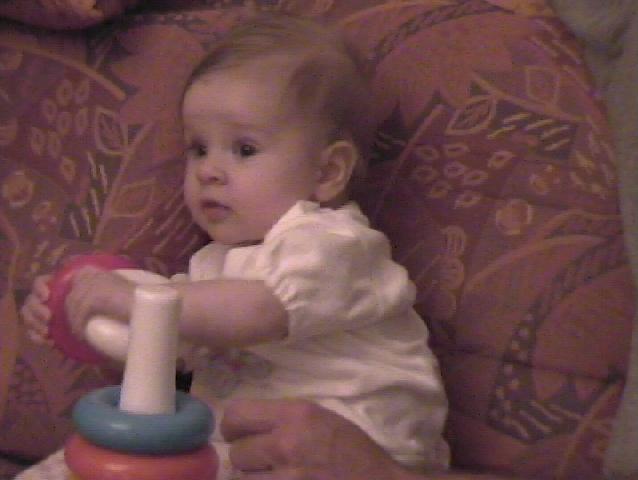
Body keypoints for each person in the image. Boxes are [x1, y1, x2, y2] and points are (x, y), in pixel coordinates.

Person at [22, 13, 451, 479]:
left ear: (327, 172)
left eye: (244, 149)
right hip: (246, 445)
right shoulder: (214, 264)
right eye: (198, 148)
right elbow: (164, 349)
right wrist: (77, 312)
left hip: (359, 441)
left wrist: (132, 298)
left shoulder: (334, 243)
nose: (208, 170)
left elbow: (257, 310)